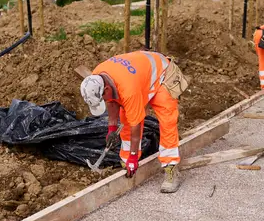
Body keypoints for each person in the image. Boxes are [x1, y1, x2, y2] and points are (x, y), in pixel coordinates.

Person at [81, 51, 188, 193]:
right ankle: (127, 163)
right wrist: (112, 130)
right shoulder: (97, 76)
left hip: (163, 74)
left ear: (106, 88)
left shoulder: (129, 90)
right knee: (124, 119)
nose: (103, 101)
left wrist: (133, 156)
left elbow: (136, 124)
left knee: (167, 119)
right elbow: (111, 101)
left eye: (102, 98)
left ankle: (171, 168)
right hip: (140, 77)